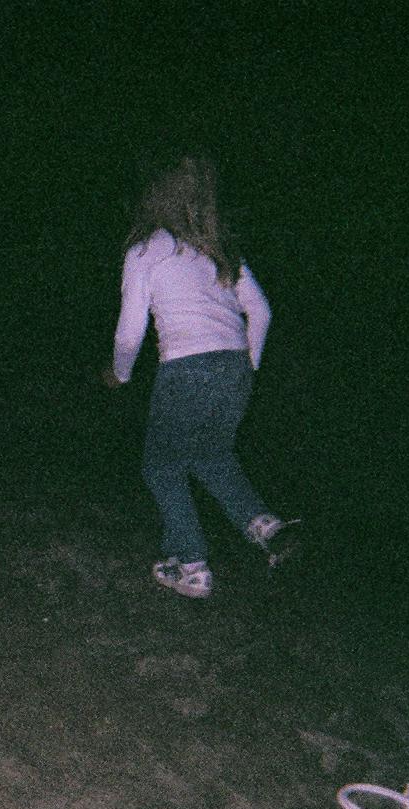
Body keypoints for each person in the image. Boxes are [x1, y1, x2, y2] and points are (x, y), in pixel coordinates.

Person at [105, 155, 298, 599]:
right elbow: (261, 312)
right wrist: (246, 365)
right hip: (235, 366)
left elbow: (130, 330)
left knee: (162, 467)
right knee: (211, 456)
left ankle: (192, 565)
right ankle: (266, 527)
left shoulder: (146, 250)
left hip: (187, 367)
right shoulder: (218, 249)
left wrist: (119, 373)